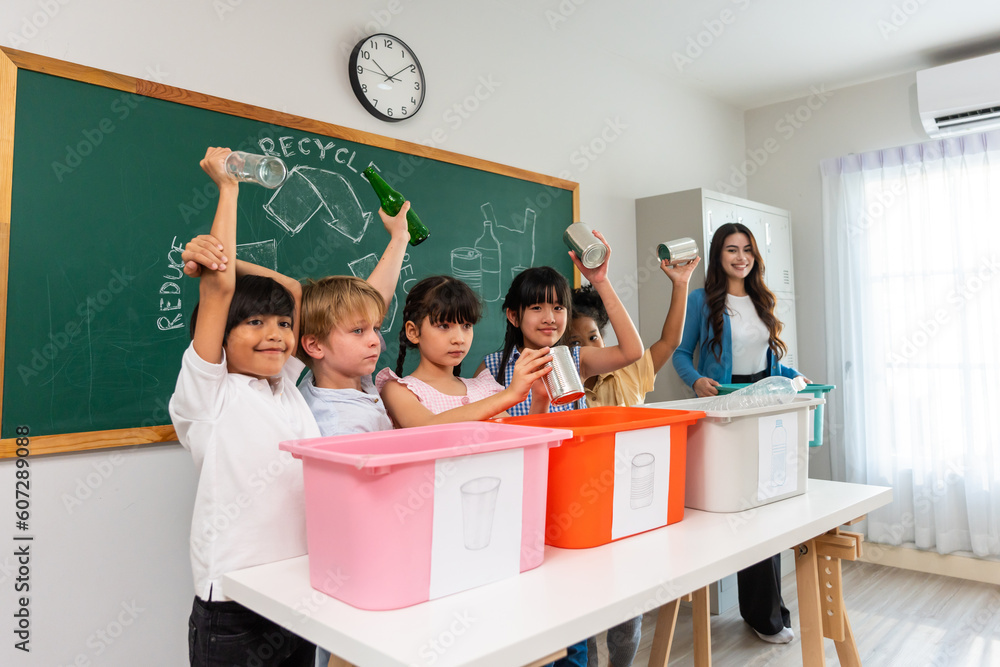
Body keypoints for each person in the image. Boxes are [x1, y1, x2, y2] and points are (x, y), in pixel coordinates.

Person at [169, 147, 319, 666]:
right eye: (254, 323)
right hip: (234, 611)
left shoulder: (289, 386)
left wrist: (211, 259)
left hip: (295, 595)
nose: (276, 335)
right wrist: (228, 191)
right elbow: (219, 292)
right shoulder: (209, 394)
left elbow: (293, 289)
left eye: (281, 325)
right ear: (220, 336)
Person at [476, 230, 643, 667]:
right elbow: (494, 439)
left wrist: (601, 281)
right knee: (538, 614)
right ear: (513, 316)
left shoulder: (575, 357)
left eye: (557, 306)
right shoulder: (492, 369)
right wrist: (535, 402)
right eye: (536, 307)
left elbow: (632, 350)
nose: (549, 316)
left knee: (577, 620)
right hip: (525, 504)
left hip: (577, 493)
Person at [672, 222, 809, 645]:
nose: (741, 257)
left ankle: (767, 612)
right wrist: (695, 381)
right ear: (719, 256)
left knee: (766, 507)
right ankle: (764, 615)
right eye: (731, 249)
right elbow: (680, 354)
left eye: (747, 249)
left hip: (763, 407)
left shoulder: (762, 299)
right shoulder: (701, 300)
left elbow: (765, 362)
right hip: (725, 411)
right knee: (743, 512)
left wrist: (795, 376)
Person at [568, 255, 699, 667]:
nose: (586, 349)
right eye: (574, 344)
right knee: (582, 612)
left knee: (627, 613)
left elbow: (670, 342)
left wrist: (680, 285)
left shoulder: (628, 373)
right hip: (586, 509)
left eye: (592, 338)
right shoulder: (562, 386)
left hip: (632, 503)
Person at [376, 275, 553, 426]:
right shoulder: (398, 390)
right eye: (444, 326)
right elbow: (427, 427)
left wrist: (540, 397)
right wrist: (511, 394)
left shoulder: (483, 389)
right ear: (413, 332)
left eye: (466, 325)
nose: (459, 339)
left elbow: (523, 440)